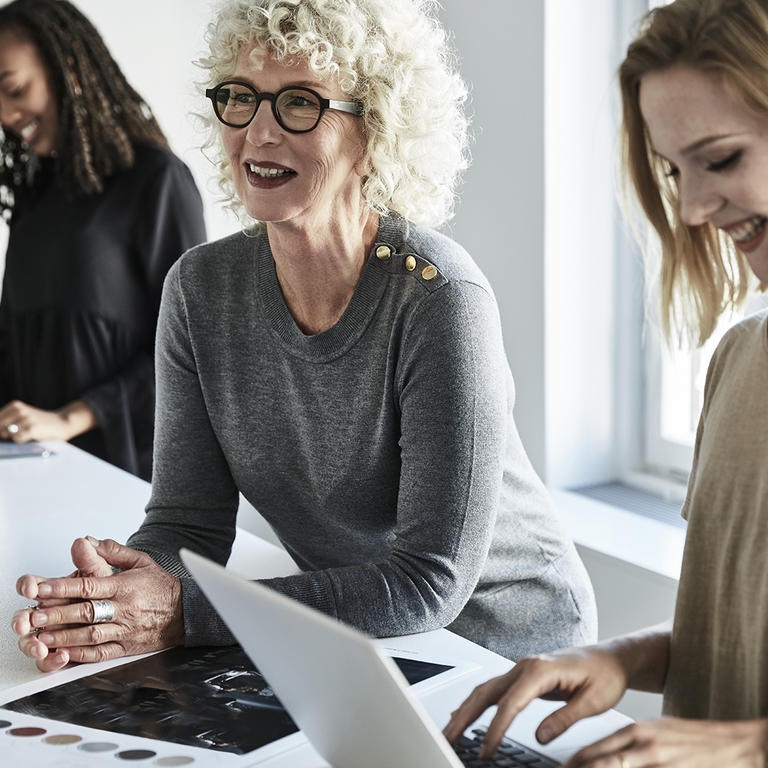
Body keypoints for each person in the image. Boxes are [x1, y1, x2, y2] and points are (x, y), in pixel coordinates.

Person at [11, 0, 596, 673]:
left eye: (299, 104)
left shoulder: (438, 299)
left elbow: (429, 581)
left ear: (374, 129)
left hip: (513, 653)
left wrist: (185, 614)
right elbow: (187, 524)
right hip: (363, 641)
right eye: (241, 98)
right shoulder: (199, 290)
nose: (259, 132)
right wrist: (122, 594)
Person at [444, 0, 768, 765]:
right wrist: (617, 660)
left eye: (719, 160)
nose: (690, 209)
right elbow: (735, 636)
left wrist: (744, 748)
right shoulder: (743, 356)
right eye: (673, 171)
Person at [0, 0, 206, 481]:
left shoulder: (157, 182)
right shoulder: (34, 195)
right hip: (33, 467)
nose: (6, 115)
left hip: (123, 476)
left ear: (68, 66)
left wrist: (71, 417)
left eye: (14, 89)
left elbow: (191, 349)